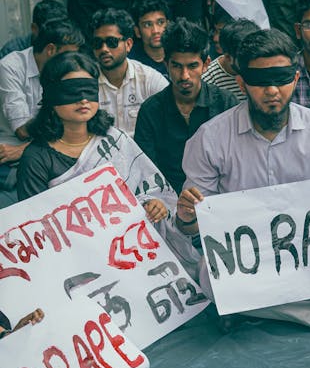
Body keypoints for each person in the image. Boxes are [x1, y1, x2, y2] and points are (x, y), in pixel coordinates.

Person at [176, 28, 310, 330]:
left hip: (307, 251)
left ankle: (252, 308)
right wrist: (186, 216)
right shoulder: (210, 138)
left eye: (282, 79)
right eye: (261, 81)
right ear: (242, 83)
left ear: (296, 79)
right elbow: (194, 225)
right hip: (248, 256)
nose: (272, 91)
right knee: (210, 278)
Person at [16, 51, 197, 274]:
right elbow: (37, 230)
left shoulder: (115, 140)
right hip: (77, 267)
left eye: (89, 90)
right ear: (52, 96)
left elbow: (150, 191)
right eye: (72, 91)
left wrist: (154, 205)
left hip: (135, 256)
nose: (83, 99)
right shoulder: (36, 158)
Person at [134, 19, 238, 194]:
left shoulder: (226, 103)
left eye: (192, 66)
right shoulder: (150, 111)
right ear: (166, 65)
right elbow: (145, 170)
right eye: (176, 66)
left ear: (205, 65)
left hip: (219, 200)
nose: (185, 76)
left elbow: (238, 162)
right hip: (167, 201)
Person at [0, 20, 84, 207]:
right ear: (51, 50)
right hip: (10, 152)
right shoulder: (11, 67)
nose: (72, 62)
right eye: (68, 55)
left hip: (44, 149)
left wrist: (24, 151)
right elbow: (22, 130)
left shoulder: (66, 71)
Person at [90, 9, 166, 137]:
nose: (104, 49)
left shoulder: (150, 79)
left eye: (111, 42)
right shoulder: (87, 82)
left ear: (128, 44)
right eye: (98, 43)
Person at [202, 18, 259, 101]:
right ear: (228, 57)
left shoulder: (260, 68)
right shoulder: (208, 81)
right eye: (244, 58)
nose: (251, 61)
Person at [0, 0, 68, 60]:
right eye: (52, 30)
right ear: (34, 28)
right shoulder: (12, 52)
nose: (58, 35)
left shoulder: (67, 46)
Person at [130, 0, 171, 77]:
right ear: (137, 31)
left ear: (169, 25)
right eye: (148, 25)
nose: (155, 31)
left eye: (160, 22)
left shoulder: (181, 52)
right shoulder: (130, 62)